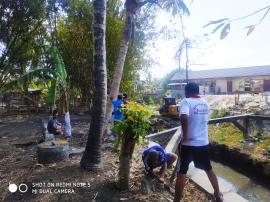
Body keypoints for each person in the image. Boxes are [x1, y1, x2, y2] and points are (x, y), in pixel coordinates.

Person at [174, 83, 223, 202]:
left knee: (181, 172)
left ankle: (176, 200)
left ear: (187, 91)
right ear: (197, 91)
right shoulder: (205, 103)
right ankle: (217, 195)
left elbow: (184, 116)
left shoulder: (186, 101)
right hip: (203, 143)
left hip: (188, 145)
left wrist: (185, 136)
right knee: (209, 169)